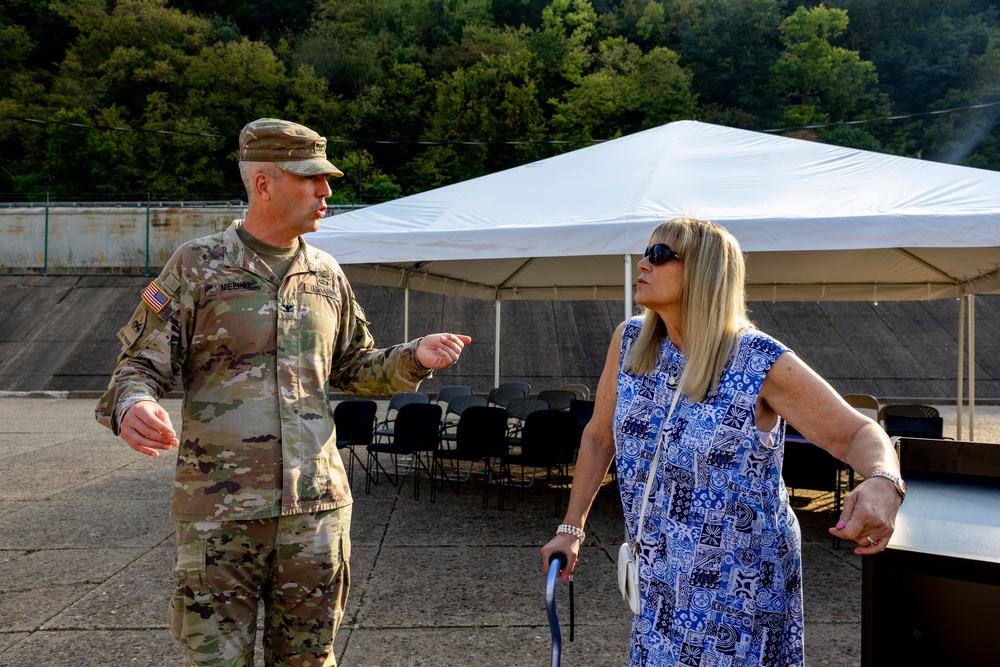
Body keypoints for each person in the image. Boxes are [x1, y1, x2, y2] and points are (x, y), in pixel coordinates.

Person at [96, 117, 472, 667]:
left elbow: (353, 368)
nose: (325, 191)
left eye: (326, 178)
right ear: (264, 183)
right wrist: (133, 404)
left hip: (316, 513)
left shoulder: (326, 273)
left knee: (309, 660)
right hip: (221, 515)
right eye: (309, 178)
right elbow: (136, 366)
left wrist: (413, 358)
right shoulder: (197, 267)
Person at [541, 217, 904, 666]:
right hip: (659, 578)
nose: (643, 263)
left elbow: (857, 432)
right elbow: (598, 438)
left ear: (704, 271)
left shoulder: (759, 359)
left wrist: (884, 482)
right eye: (646, 252)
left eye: (659, 255)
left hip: (740, 594)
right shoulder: (631, 339)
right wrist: (571, 527)